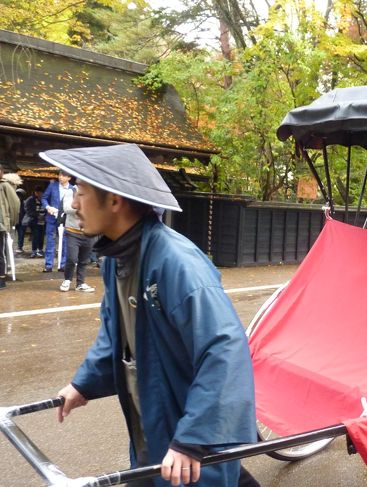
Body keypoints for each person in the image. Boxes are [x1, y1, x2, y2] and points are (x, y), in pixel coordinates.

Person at [43, 144, 257, 487]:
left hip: (187, 435)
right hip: (156, 425)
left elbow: (225, 351)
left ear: (114, 200)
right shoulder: (119, 256)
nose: (74, 203)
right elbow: (115, 335)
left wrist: (194, 438)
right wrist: (83, 383)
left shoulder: (176, 263)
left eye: (81, 191)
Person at [59, 184, 96, 292]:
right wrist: (85, 207)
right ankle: (67, 280)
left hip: (89, 231)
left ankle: (80, 283)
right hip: (72, 230)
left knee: (84, 260)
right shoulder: (72, 191)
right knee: (72, 258)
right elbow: (67, 208)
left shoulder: (95, 192)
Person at [41, 170, 73, 272]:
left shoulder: (73, 189)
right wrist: (47, 207)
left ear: (69, 178)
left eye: (63, 176)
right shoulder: (53, 186)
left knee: (65, 241)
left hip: (65, 218)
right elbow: (44, 198)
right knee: (50, 241)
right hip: (51, 217)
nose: (60, 177)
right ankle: (48, 265)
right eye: (59, 175)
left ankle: (62, 265)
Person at [0, 165, 21, 289]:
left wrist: (10, 223)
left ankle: (1, 279)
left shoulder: (5, 186)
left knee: (0, 253)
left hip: (1, 225)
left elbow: (15, 205)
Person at [24, 186, 46, 258]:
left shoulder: (44, 199)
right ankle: (34, 251)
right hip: (34, 220)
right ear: (35, 192)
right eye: (38, 192)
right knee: (35, 236)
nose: (39, 194)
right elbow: (27, 210)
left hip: (43, 221)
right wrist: (36, 215)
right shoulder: (30, 199)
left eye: (40, 192)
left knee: (41, 236)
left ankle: (40, 250)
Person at [15, 187, 27, 253]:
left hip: (22, 221)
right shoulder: (14, 203)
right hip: (15, 221)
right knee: (13, 235)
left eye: (20, 195)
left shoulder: (24, 203)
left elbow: (26, 212)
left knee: (21, 234)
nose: (19, 197)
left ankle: (20, 247)